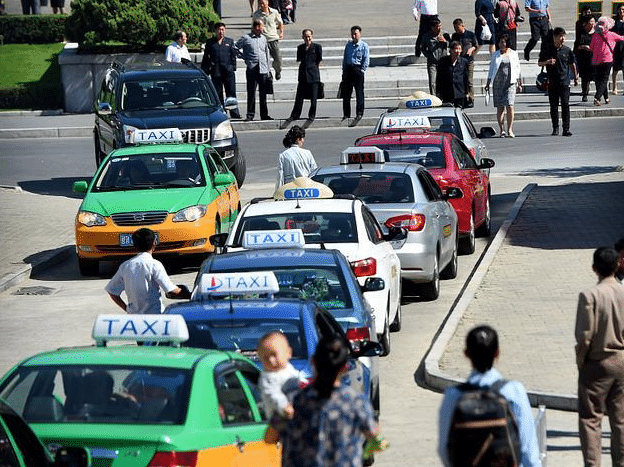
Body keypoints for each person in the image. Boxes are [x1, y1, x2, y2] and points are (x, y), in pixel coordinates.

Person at [264, 336, 381, 467]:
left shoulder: (296, 400)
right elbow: (372, 432)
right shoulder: (356, 402)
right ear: (344, 367)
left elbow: (270, 437)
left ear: (313, 362)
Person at [438, 325, 542, 467]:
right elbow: (528, 450)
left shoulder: (453, 395)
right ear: (497, 353)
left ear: (466, 354)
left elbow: (445, 449)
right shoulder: (513, 391)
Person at [575, 247, 624, 467]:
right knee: (620, 419)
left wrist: (581, 361)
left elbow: (585, 335)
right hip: (622, 362)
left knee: (590, 418)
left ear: (594, 268)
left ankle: (593, 464)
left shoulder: (590, 296)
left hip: (597, 362)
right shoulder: (623, 293)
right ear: (617, 266)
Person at [105, 228, 191, 315]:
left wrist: (127, 309)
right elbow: (171, 290)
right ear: (154, 243)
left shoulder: (125, 266)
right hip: (155, 317)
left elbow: (112, 291)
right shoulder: (155, 265)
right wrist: (190, 295)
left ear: (135, 246)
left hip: (134, 318)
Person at [538, 27, 578, 137]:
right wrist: (547, 62)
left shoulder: (567, 50)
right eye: (560, 36)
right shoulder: (547, 49)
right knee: (554, 106)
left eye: (564, 36)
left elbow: (572, 64)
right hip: (552, 82)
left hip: (564, 82)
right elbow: (539, 63)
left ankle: (566, 129)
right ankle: (555, 128)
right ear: (555, 37)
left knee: (565, 105)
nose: (563, 39)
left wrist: (575, 77)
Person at [257, 331, 305, 419]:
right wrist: (284, 407)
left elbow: (298, 382)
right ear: (260, 357)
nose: (271, 360)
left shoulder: (289, 368)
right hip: (279, 418)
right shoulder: (267, 377)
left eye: (274, 354)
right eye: (265, 357)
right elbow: (273, 395)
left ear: (288, 353)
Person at [201, 23, 242, 119]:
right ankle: (221, 113)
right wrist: (205, 70)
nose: (221, 32)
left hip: (228, 72)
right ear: (215, 31)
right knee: (217, 94)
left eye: (223, 29)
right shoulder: (210, 43)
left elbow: (233, 56)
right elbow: (206, 58)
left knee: (231, 93)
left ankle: (234, 113)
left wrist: (233, 67)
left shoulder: (229, 41)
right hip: (216, 72)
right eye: (219, 30)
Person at [485, 34, 523, 137]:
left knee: (510, 106)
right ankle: (502, 129)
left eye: (504, 42)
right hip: (498, 83)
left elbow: (517, 68)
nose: (502, 44)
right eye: (501, 42)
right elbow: (491, 69)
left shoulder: (514, 54)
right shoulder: (495, 54)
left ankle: (510, 129)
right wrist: (488, 83)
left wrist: (519, 82)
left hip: (510, 83)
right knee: (500, 107)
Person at [283, 29, 322, 127]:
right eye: (305, 36)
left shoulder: (317, 47)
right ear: (303, 37)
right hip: (303, 75)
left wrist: (314, 71)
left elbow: (318, 61)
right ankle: (294, 115)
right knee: (299, 98)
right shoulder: (300, 48)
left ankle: (311, 115)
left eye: (309, 36)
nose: (307, 38)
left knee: (313, 99)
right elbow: (300, 60)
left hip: (313, 76)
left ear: (312, 37)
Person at [236, 19, 273, 121]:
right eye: (261, 26)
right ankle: (250, 114)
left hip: (263, 69)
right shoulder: (246, 38)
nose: (262, 28)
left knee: (263, 93)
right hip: (252, 68)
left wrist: (268, 69)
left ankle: (264, 115)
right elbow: (234, 48)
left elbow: (266, 53)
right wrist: (245, 57)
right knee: (251, 92)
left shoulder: (263, 38)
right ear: (256, 27)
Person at [589, 16, 624, 106]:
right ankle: (597, 98)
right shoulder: (611, 34)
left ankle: (606, 98)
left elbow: (591, 48)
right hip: (607, 60)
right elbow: (621, 38)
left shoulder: (595, 35)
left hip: (596, 60)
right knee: (604, 80)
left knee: (599, 80)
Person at [341, 25, 370, 127]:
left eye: (355, 34)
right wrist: (344, 71)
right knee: (346, 94)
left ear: (360, 34)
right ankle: (346, 114)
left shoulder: (363, 46)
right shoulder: (348, 45)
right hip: (348, 69)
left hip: (357, 70)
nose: (354, 36)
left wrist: (362, 70)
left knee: (359, 93)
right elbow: (345, 58)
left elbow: (366, 59)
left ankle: (359, 113)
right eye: (352, 34)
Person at [253, 0, 284, 80]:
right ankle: (268, 74)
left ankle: (277, 70)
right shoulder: (256, 14)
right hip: (262, 39)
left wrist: (281, 33)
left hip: (273, 38)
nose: (261, 5)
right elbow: (254, 27)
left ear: (267, 3)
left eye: (263, 3)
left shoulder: (274, 12)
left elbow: (280, 23)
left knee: (278, 58)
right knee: (264, 60)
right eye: (260, 3)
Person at [451, 18, 478, 102]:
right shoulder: (455, 36)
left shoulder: (470, 34)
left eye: (458, 28)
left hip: (469, 60)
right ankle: (462, 97)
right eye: (455, 28)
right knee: (460, 80)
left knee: (469, 80)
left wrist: (471, 49)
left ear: (462, 26)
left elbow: (476, 45)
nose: (457, 30)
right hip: (459, 61)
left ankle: (471, 98)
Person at [436, 41, 469, 108]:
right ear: (450, 50)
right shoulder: (443, 61)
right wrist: (438, 92)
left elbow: (465, 77)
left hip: (459, 92)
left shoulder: (464, 62)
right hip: (447, 92)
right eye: (455, 49)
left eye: (459, 49)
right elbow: (439, 78)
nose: (457, 51)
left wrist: (467, 92)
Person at [422, 19, 450, 96]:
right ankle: (434, 97)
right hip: (432, 63)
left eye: (440, 26)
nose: (439, 28)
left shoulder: (445, 34)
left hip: (443, 62)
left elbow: (453, 45)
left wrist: (445, 42)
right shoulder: (427, 36)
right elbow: (423, 48)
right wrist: (429, 56)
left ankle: (444, 97)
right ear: (432, 27)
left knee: (444, 80)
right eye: (437, 26)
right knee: (433, 81)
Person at [574, 16, 596, 102]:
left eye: (594, 21)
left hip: (594, 57)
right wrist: (583, 47)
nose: (593, 23)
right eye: (591, 21)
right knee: (585, 78)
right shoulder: (582, 33)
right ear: (587, 23)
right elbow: (576, 46)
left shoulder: (597, 33)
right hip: (583, 58)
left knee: (597, 77)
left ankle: (600, 95)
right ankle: (584, 94)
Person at [612, 5, 624, 95]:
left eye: (623, 9)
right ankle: (614, 87)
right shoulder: (614, 21)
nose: (621, 11)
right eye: (619, 9)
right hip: (616, 47)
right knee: (615, 69)